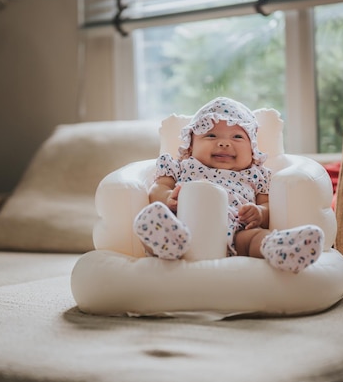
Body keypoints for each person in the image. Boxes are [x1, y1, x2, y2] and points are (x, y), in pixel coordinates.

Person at [132, 97, 323, 273]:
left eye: (237, 137)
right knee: (163, 223)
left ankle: (281, 249)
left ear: (252, 150)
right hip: (186, 224)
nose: (224, 143)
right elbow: (158, 189)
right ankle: (165, 243)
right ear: (190, 146)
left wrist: (259, 212)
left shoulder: (257, 175)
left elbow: (268, 207)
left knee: (256, 237)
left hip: (237, 232)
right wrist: (167, 198)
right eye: (211, 136)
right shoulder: (181, 166)